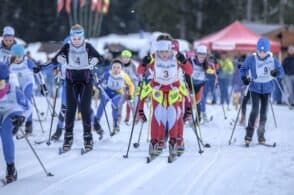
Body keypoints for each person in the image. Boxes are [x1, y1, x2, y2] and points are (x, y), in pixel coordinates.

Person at [34, 24, 103, 152]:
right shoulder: (67, 47)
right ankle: (68, 137)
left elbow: (101, 58)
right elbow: (53, 61)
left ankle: (88, 138)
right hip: (70, 81)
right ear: (71, 37)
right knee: (70, 110)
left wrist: (94, 61)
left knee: (85, 109)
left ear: (82, 37)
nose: (76, 40)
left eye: (79, 38)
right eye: (74, 38)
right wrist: (41, 67)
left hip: (86, 82)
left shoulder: (87, 46)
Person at [137, 34, 192, 157]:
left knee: (173, 115)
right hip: (159, 89)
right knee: (158, 115)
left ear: (170, 48)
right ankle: (155, 140)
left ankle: (175, 140)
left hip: (174, 89)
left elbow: (189, 71)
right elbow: (140, 71)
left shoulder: (176, 57)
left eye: (166, 51)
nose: (163, 54)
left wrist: (184, 61)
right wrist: (143, 63)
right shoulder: (153, 57)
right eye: (160, 51)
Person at [240, 37, 284, 145]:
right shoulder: (251, 58)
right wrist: (244, 78)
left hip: (267, 89)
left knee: (263, 113)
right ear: (257, 50)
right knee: (255, 110)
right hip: (255, 88)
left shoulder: (273, 60)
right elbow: (243, 69)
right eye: (260, 51)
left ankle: (261, 135)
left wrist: (276, 73)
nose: (262, 53)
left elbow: (281, 71)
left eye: (264, 51)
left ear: (268, 50)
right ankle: (248, 135)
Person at [0, 62, 28, 184]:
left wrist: (20, 118)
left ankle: (10, 166)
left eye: (1, 83)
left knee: (5, 134)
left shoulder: (13, 89)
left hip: (9, 112)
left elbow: (27, 106)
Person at [93, 59, 134, 137]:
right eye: (114, 67)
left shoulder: (124, 75)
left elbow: (131, 85)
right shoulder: (108, 74)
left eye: (118, 67)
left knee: (115, 107)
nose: (116, 69)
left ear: (121, 68)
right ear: (111, 68)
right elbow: (99, 82)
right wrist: (95, 87)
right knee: (102, 105)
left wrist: (130, 94)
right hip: (107, 92)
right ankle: (96, 122)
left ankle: (115, 125)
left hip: (117, 93)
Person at [9, 44, 35, 136]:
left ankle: (29, 123)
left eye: (19, 56)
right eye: (14, 56)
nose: (17, 59)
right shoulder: (10, 63)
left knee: (27, 101)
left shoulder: (28, 62)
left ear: (23, 55)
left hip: (28, 83)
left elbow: (38, 72)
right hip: (17, 85)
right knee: (17, 103)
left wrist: (43, 85)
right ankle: (16, 122)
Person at [184, 45, 210, 124]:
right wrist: (188, 83)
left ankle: (198, 119)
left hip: (200, 85)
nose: (202, 56)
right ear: (196, 54)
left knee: (198, 101)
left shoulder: (206, 63)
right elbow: (186, 72)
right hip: (190, 83)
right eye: (200, 54)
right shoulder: (191, 61)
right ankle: (186, 117)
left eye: (204, 54)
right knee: (188, 101)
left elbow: (211, 71)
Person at [120, 49, 139, 124]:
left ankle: (136, 117)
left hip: (132, 85)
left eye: (127, 58)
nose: (125, 59)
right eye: (124, 58)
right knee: (125, 102)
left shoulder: (133, 65)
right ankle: (124, 117)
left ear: (130, 58)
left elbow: (137, 75)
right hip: (125, 85)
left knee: (131, 102)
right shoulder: (120, 65)